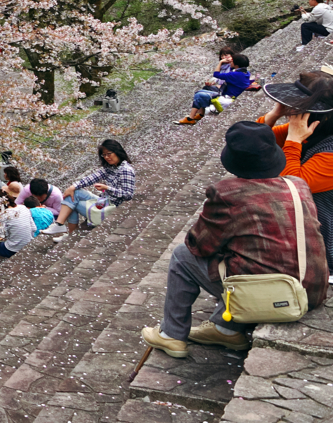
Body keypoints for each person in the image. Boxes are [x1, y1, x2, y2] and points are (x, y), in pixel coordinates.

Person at [140, 122, 329, 358]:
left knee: (181, 255)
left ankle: (172, 335)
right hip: (311, 288)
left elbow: (199, 245)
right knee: (246, 253)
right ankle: (224, 328)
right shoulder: (297, 185)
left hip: (277, 295)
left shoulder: (228, 192)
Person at [258, 71, 333, 280]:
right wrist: (274, 115)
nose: (292, 113)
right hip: (299, 229)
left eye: (296, 109)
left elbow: (293, 186)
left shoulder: (329, 151)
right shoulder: (311, 130)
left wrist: (293, 142)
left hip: (322, 243)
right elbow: (249, 144)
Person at [43, 139, 135, 242]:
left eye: (109, 154)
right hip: (103, 201)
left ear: (117, 152)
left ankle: (70, 235)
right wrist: (73, 186)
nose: (107, 157)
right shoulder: (110, 167)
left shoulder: (125, 170)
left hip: (111, 207)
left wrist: (107, 188)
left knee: (73, 203)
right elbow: (92, 177)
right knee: (74, 192)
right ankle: (59, 224)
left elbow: (128, 195)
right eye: (104, 155)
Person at [174, 53, 251, 125]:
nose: (230, 62)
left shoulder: (234, 74)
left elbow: (216, 74)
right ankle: (201, 114)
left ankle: (190, 119)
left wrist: (221, 62)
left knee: (199, 94)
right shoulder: (245, 73)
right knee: (201, 91)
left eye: (232, 61)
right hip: (231, 95)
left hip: (227, 99)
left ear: (236, 64)